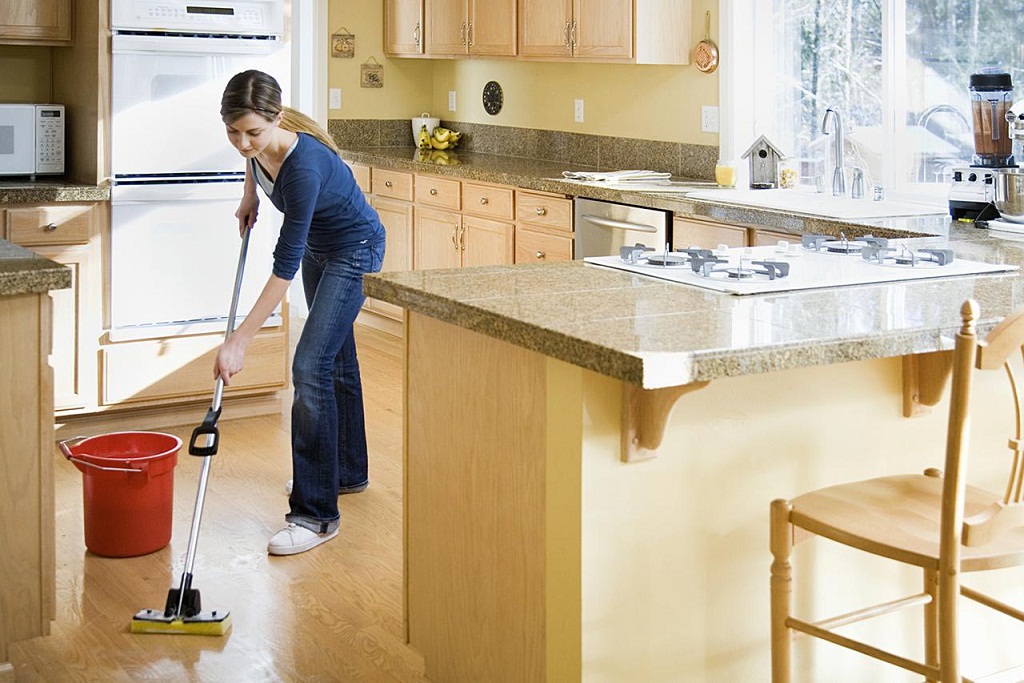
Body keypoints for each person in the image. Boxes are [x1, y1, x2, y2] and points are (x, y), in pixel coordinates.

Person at [215, 70, 385, 556]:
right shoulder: (258, 148)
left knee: (310, 366)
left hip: (354, 250)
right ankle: (347, 473)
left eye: (253, 132)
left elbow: (282, 268)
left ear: (275, 120)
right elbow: (255, 160)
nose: (243, 142)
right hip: (319, 248)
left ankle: (316, 516)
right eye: (233, 131)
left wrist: (240, 340)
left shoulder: (304, 166)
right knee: (334, 360)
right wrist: (249, 194)